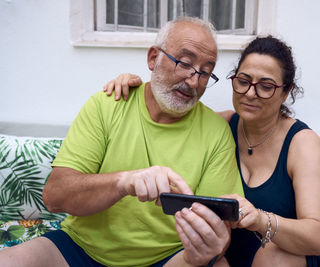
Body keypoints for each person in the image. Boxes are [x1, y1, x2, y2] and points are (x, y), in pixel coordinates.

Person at [0, 17, 244, 267]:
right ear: (153, 58)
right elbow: (55, 196)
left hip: (168, 258)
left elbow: (220, 232)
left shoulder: (216, 132)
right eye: (184, 63)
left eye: (205, 72)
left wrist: (207, 248)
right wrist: (124, 182)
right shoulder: (107, 105)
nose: (193, 81)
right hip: (80, 247)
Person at [104, 36, 320, 266]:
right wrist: (139, 88)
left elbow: (316, 238)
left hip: (299, 252)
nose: (250, 93)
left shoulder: (301, 142)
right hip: (243, 251)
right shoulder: (221, 125)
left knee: (272, 259)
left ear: (286, 92)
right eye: (243, 81)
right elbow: (169, 116)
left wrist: (259, 219)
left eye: (266, 86)